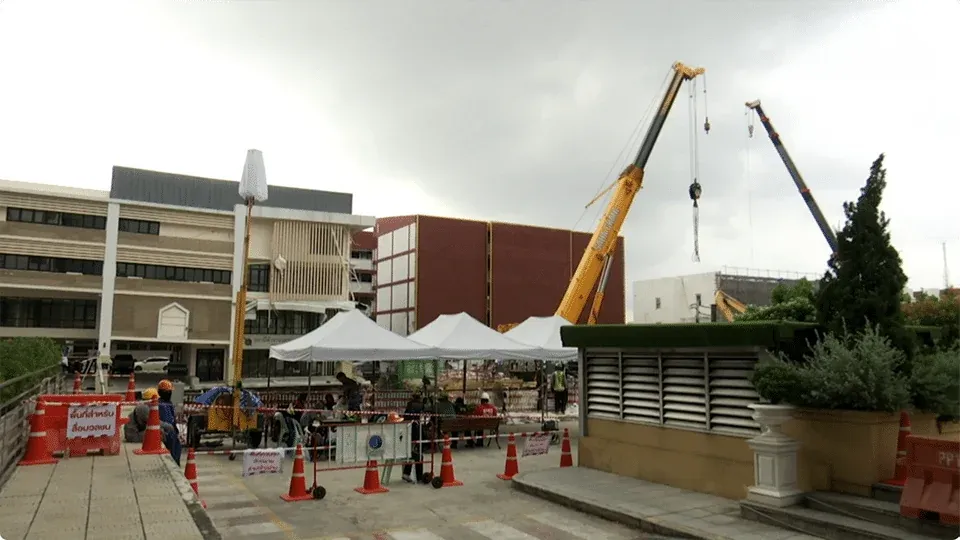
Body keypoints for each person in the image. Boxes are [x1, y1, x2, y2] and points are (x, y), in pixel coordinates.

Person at [156, 379, 182, 466]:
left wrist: (176, 429)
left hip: (171, 431)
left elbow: (172, 418)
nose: (169, 394)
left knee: (177, 448)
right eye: (167, 392)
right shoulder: (160, 404)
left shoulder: (168, 403)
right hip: (166, 431)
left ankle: (176, 464)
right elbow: (167, 420)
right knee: (173, 450)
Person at [402, 397, 426, 484]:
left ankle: (406, 473)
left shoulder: (406, 419)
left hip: (402, 447)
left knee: (413, 454)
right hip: (408, 447)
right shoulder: (415, 423)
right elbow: (420, 437)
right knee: (419, 455)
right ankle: (419, 478)